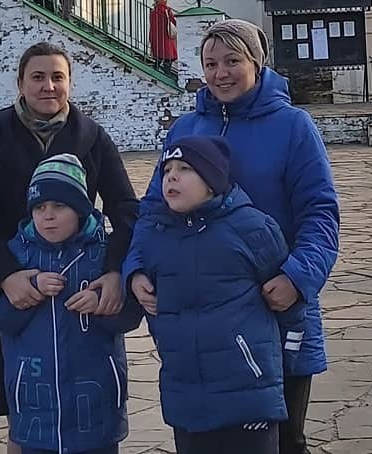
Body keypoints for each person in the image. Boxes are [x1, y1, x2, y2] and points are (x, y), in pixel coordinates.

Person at [124, 20, 339, 454]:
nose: (220, 73)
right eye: (210, 63)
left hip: (272, 309)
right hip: (199, 322)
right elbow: (151, 209)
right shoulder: (186, 129)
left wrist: (297, 278)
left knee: (283, 441)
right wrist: (135, 268)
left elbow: (320, 213)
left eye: (232, 61)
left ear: (256, 63)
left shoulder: (293, 127)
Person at [0, 42, 139, 443]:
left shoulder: (91, 137)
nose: (48, 86)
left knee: (87, 404)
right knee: (23, 410)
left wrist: (115, 271)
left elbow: (126, 208)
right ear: (21, 83)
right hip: (21, 289)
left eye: (57, 77)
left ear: (70, 83)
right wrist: (6, 277)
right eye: (38, 77)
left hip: (81, 286)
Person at [128, 136, 306, 454]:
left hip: (249, 398)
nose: (171, 176)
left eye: (184, 169)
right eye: (166, 169)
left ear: (212, 181)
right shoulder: (158, 239)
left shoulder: (252, 229)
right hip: (185, 399)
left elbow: (291, 305)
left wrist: (281, 364)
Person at [0, 154, 143, 454]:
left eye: (59, 206)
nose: (48, 216)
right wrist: (29, 292)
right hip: (34, 406)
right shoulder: (15, 257)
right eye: (40, 207)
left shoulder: (104, 257)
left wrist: (100, 305)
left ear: (81, 210)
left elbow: (131, 316)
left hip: (95, 405)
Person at [149, 0, 177, 75]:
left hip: (156, 36)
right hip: (166, 36)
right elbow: (173, 20)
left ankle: (156, 68)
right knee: (169, 55)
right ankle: (167, 72)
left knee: (159, 54)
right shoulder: (167, 10)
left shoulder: (153, 12)